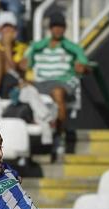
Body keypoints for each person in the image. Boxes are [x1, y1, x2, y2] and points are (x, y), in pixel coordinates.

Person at [23, 12, 88, 158]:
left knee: (57, 92)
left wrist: (82, 68)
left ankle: (59, 136)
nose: (58, 30)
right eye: (55, 27)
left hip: (63, 82)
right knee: (22, 88)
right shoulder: (37, 47)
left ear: (65, 29)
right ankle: (28, 139)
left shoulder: (72, 47)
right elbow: (24, 64)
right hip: (42, 83)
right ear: (50, 29)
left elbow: (85, 66)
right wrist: (23, 63)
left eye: (61, 27)